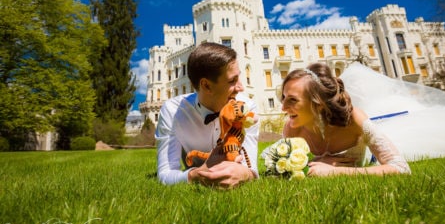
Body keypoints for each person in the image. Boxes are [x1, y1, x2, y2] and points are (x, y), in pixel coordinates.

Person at [155, 42, 259, 188]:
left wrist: (245, 174)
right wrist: (195, 175)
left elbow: (251, 168)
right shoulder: (173, 112)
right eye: (232, 81)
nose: (241, 87)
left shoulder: (246, 108)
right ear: (206, 85)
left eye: (239, 78)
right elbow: (165, 174)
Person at [280, 62, 412, 176]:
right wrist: (316, 163)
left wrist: (335, 171)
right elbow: (285, 170)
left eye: (292, 100)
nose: (283, 108)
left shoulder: (354, 119)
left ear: (318, 104)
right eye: (284, 97)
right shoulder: (292, 129)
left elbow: (402, 168)